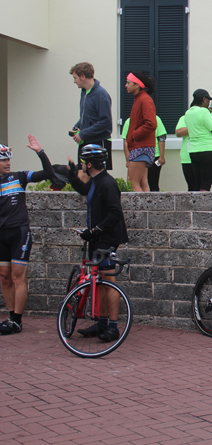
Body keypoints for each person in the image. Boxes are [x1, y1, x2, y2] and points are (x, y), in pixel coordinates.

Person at [67, 144, 128, 342]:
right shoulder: (96, 180)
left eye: (83, 162)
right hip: (98, 238)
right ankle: (102, 323)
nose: (82, 165)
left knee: (108, 282)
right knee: (100, 283)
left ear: (90, 164)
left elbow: (115, 213)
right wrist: (72, 176)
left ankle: (113, 327)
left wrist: (94, 231)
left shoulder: (107, 183)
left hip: (106, 239)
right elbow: (83, 189)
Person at [0, 135, 53, 335]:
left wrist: (40, 152)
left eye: (8, 159)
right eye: (3, 160)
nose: (8, 163)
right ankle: (11, 317)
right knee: (4, 277)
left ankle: (17, 320)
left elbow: (48, 173)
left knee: (17, 276)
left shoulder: (19, 177)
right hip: (1, 234)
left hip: (19, 232)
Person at [69, 62, 114, 170]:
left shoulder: (101, 94)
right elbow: (86, 117)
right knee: (82, 173)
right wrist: (76, 128)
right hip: (86, 141)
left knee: (97, 175)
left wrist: (83, 134)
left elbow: (105, 121)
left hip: (99, 142)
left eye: (75, 78)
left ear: (83, 76)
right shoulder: (84, 92)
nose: (74, 81)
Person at [123, 72, 157, 192]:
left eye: (128, 83)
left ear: (137, 85)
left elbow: (151, 123)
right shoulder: (141, 99)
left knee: (132, 184)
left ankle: (140, 206)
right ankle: (148, 205)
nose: (126, 85)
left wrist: (134, 135)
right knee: (143, 184)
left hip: (141, 147)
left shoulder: (144, 100)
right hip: (141, 147)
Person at [184, 89, 212, 192]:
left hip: (194, 150)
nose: (209, 103)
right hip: (208, 150)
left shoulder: (188, 113)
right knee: (205, 185)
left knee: (197, 183)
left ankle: (195, 202)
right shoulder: (203, 111)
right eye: (208, 100)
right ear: (204, 99)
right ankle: (203, 203)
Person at [121, 115, 167, 192]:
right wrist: (128, 159)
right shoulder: (130, 121)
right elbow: (126, 141)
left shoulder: (155, 119)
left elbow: (161, 137)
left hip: (154, 156)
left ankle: (151, 199)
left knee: (152, 184)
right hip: (137, 157)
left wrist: (161, 156)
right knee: (139, 183)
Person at [174, 114, 195, 191]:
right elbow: (178, 133)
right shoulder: (184, 118)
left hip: (204, 155)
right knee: (191, 186)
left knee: (203, 187)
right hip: (187, 158)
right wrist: (196, 126)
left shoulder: (208, 117)